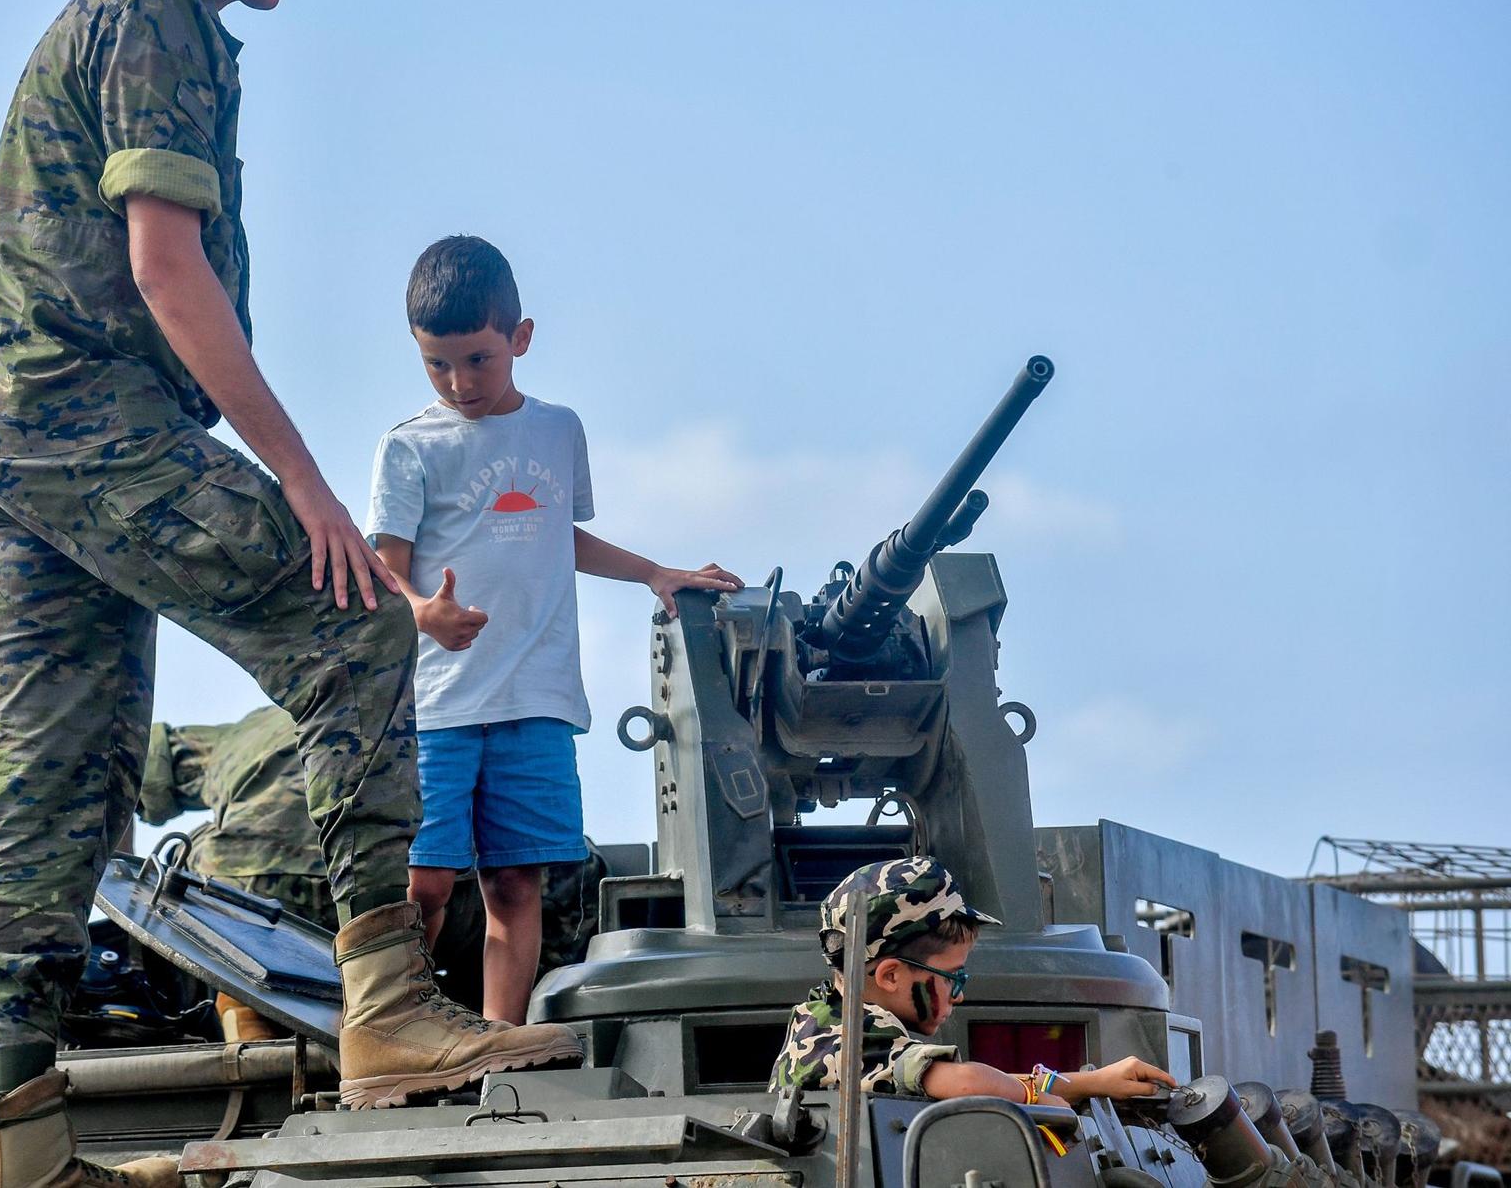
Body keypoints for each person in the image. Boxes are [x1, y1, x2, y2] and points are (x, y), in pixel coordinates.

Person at [0, 0, 578, 1180]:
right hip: (93, 427)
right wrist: (304, 482)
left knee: (62, 769)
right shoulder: (158, 7)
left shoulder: (146, 14)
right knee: (359, 625)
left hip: (8, 432)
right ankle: (387, 1004)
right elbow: (166, 269)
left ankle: (27, 1140)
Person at [366, 235, 741, 1025]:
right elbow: (386, 569)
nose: (459, 382)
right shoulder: (407, 448)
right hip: (436, 708)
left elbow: (556, 537)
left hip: (534, 699)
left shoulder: (558, 431)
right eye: (438, 364)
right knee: (425, 884)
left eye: (477, 359)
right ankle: (403, 1025)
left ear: (520, 339)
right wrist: (421, 611)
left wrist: (654, 571)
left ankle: (498, 1043)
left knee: (515, 883)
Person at [138, 706, 610, 1036]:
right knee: (555, 870)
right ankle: (488, 1017)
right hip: (378, 896)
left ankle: (244, 1006)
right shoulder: (407, 707)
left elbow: (150, 769)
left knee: (190, 859)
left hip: (250, 907)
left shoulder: (250, 733)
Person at [771, 857, 1175, 1116]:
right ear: (891, 975)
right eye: (952, 977)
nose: (959, 993)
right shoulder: (855, 1039)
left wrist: (1090, 1083)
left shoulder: (822, 1015)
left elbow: (952, 1077)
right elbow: (965, 1082)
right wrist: (1039, 1100)